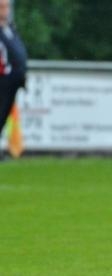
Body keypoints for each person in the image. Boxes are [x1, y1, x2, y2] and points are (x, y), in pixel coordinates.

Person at [0, 0, 27, 158]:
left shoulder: (10, 29)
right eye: (2, 7)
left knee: (4, 117)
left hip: (13, 81)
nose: (5, 10)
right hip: (3, 80)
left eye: (7, 6)